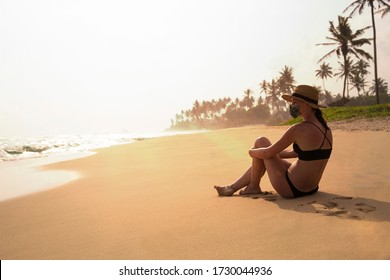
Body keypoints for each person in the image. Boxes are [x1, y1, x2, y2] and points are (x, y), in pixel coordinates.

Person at [214, 85, 333, 198]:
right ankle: (233, 187)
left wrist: (252, 151)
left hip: (292, 188)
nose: (292, 105)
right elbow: (297, 153)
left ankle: (252, 187)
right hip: (311, 188)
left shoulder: (298, 129)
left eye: (295, 102)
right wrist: (270, 155)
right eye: (291, 102)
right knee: (264, 153)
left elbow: (267, 153)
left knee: (261, 141)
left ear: (307, 105)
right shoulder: (326, 130)